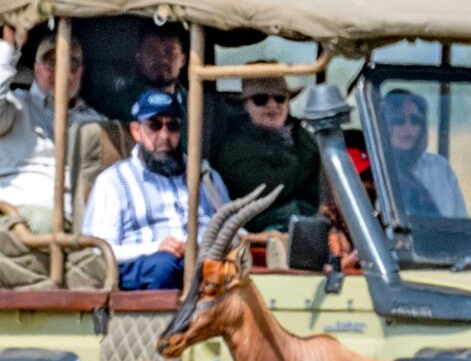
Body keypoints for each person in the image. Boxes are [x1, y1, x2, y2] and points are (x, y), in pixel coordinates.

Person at [78, 89, 230, 290]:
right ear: (136, 131)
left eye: (172, 126)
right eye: (154, 126)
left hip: (203, 263)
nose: (164, 136)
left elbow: (228, 223)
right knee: (164, 266)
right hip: (148, 266)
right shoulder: (113, 181)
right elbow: (100, 248)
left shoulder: (204, 175)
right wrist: (156, 248)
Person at [0, 25, 109, 228]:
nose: (61, 71)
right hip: (13, 217)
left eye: (72, 64)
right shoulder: (13, 107)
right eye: (51, 62)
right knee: (47, 222)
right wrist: (9, 47)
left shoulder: (95, 122)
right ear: (36, 68)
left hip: (78, 222)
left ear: (80, 73)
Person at [208, 75, 322, 230]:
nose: (273, 105)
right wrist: (311, 163)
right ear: (245, 105)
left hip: (314, 219)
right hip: (266, 230)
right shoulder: (235, 147)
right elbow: (268, 188)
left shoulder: (302, 135)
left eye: (280, 98)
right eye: (260, 99)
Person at [379, 89, 468, 218]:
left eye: (415, 121)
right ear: (383, 125)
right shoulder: (373, 168)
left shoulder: (440, 168)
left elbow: (461, 222)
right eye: (398, 121)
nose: (407, 127)